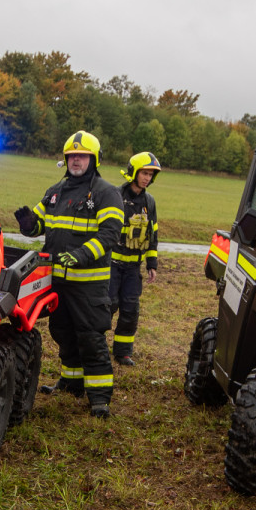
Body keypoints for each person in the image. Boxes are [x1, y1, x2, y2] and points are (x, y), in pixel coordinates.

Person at [14, 131, 124, 418]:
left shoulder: (106, 193)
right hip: (58, 283)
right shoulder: (55, 192)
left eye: (82, 156)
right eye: (72, 156)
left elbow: (110, 235)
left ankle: (99, 397)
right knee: (62, 332)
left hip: (88, 286)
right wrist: (28, 223)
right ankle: (71, 382)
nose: (76, 160)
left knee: (91, 338)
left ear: (94, 159)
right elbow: (40, 225)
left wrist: (80, 255)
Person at [109, 152, 162, 366]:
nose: (147, 178)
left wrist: (152, 264)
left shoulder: (150, 202)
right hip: (111, 265)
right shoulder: (115, 195)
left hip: (133, 268)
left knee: (130, 309)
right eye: (144, 173)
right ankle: (96, 347)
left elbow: (153, 234)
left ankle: (122, 352)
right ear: (134, 172)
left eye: (150, 174)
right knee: (108, 305)